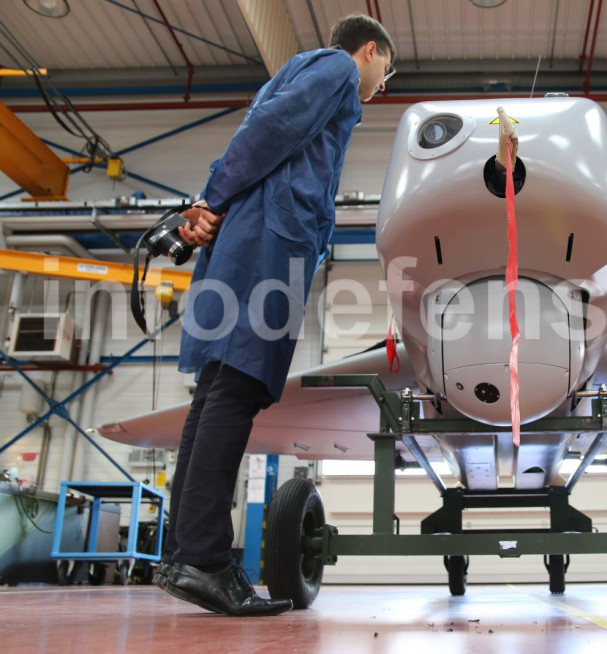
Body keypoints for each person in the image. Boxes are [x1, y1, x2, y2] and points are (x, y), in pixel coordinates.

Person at [154, 14, 395, 616]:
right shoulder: (338, 67)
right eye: (385, 70)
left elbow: (263, 129)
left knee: (215, 391)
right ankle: (206, 563)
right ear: (368, 51)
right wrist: (211, 199)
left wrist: (214, 203)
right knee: (236, 387)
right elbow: (272, 128)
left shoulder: (300, 73)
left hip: (246, 239)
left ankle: (186, 555)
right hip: (268, 244)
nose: (383, 85)